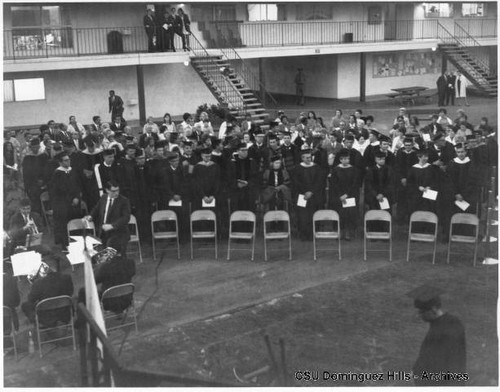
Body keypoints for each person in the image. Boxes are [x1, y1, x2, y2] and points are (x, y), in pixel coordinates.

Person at [408, 285, 467, 386]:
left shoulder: (448, 326)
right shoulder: (441, 323)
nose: (419, 315)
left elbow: (446, 363)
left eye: (422, 312)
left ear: (434, 309)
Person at [84, 180, 131, 255]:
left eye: (118, 190)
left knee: (118, 258)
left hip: (119, 233)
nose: (117, 193)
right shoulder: (103, 197)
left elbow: (126, 218)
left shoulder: (124, 201)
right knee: (107, 258)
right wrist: (90, 216)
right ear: (107, 190)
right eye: (113, 191)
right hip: (104, 233)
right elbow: (97, 208)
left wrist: (112, 226)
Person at [21, 262, 74, 326]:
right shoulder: (67, 278)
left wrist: (33, 285)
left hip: (46, 318)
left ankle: (37, 323)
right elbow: (70, 293)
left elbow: (31, 299)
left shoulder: (38, 283)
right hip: (65, 315)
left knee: (25, 305)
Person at [49, 151, 82, 249]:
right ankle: (65, 244)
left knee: (75, 220)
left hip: (74, 201)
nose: (69, 162)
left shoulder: (73, 171)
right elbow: (59, 190)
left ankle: (76, 242)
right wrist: (71, 199)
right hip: (62, 203)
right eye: (66, 160)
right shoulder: (57, 174)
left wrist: (76, 197)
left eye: (69, 160)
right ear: (60, 162)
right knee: (63, 222)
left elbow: (78, 186)